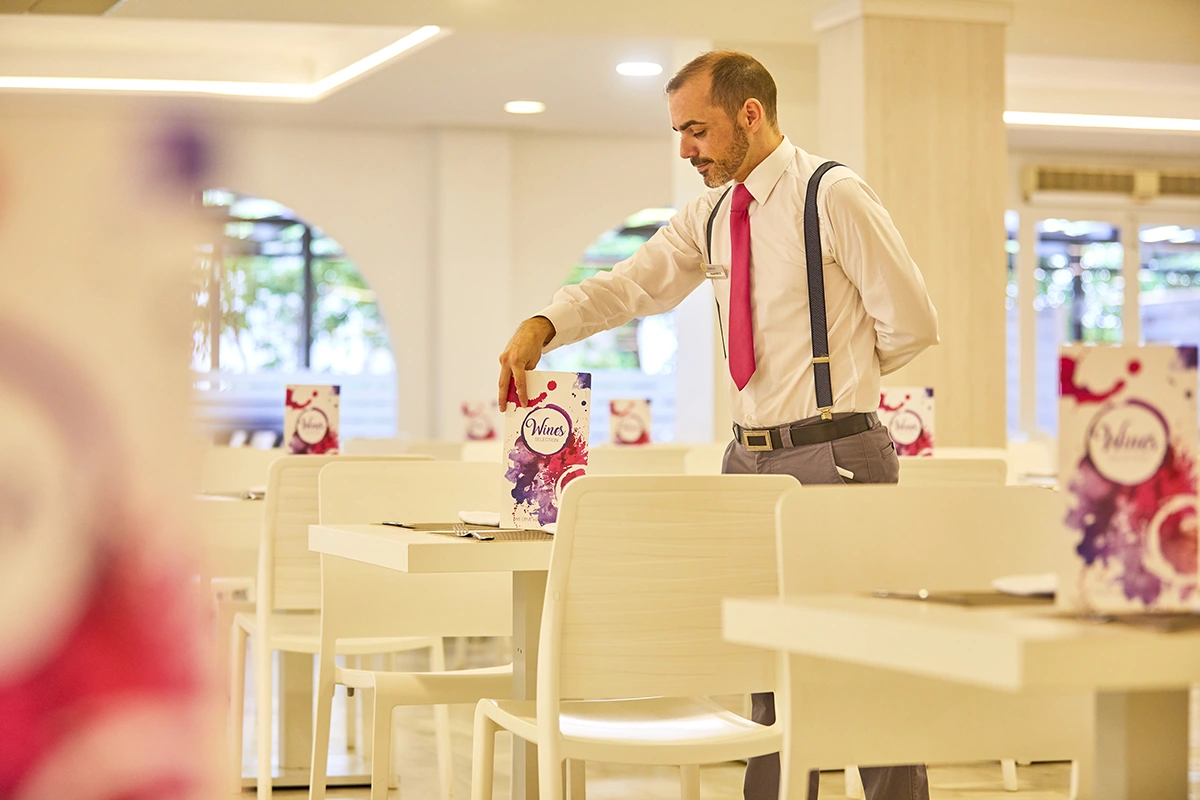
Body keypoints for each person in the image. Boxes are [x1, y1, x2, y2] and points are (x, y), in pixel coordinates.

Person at [497, 50, 939, 800]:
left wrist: (843, 389)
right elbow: (631, 286)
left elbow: (912, 323)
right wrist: (545, 323)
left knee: (864, 670)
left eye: (696, 130)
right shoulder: (708, 216)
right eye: (678, 131)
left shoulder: (831, 196)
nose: (685, 149)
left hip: (836, 455)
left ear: (750, 114)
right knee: (765, 670)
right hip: (749, 464)